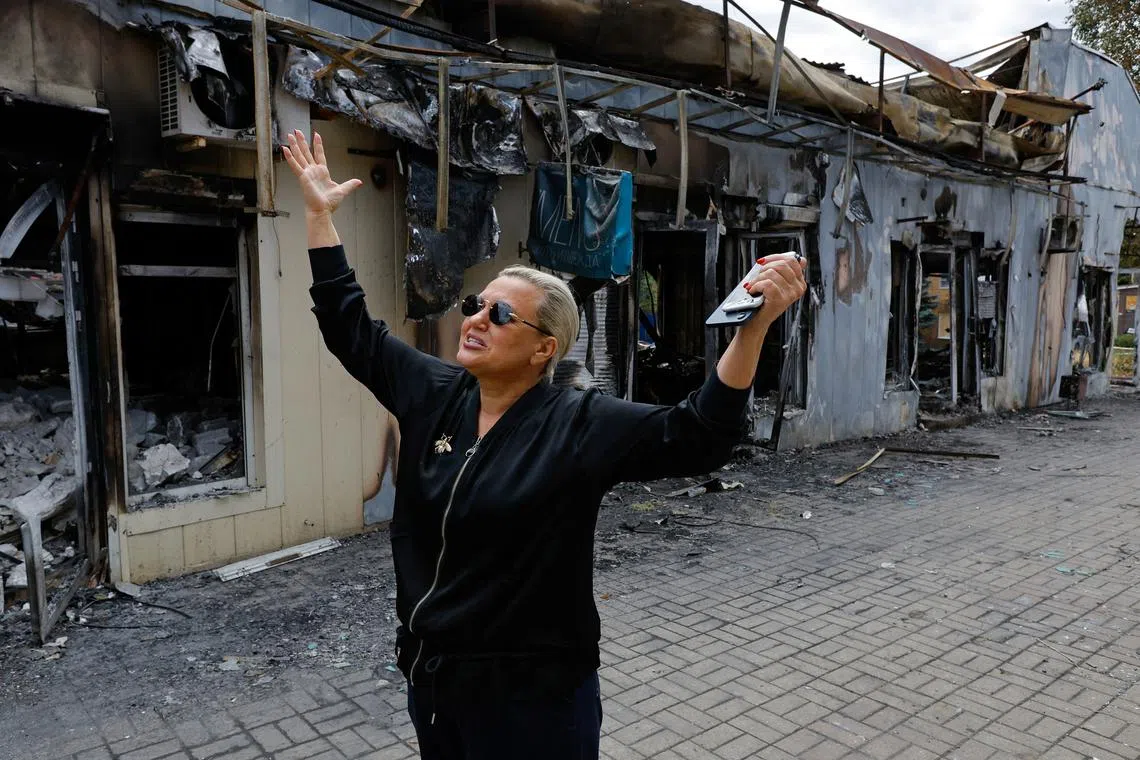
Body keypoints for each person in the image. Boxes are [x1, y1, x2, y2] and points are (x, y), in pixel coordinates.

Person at [283, 129, 807, 760]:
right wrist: (318, 217)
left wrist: (751, 331)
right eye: (478, 304)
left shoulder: (577, 423)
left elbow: (698, 435)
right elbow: (350, 328)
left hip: (535, 700)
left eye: (500, 315)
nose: (475, 318)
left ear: (544, 350)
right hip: (435, 679)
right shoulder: (435, 392)